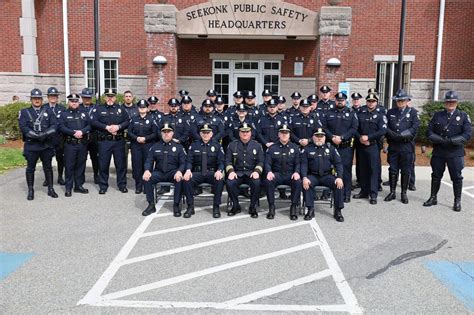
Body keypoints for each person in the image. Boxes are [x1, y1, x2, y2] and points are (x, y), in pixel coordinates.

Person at [423, 90, 472, 211]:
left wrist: (452, 141)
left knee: (456, 177)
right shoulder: (438, 115)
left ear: (457, 102)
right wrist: (439, 139)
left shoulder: (463, 116)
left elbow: (467, 134)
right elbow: (429, 131)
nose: (450, 104)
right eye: (448, 102)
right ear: (445, 103)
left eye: (453, 102)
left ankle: (457, 201)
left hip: (455, 152)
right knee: (436, 175)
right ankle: (433, 197)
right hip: (439, 151)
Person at [18, 88, 59, 200]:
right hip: (32, 145)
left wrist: (45, 134)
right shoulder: (24, 112)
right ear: (31, 99)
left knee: (48, 167)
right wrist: (35, 135)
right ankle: (31, 190)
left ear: (41, 99)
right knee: (30, 168)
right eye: (34, 98)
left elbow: (55, 125)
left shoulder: (48, 111)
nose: (37, 100)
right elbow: (23, 127)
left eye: (38, 98)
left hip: (46, 145)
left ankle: (50, 189)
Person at [142, 123, 187, 217]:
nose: (166, 134)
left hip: (172, 172)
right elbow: (149, 161)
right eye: (164, 132)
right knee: (147, 178)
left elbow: (183, 163)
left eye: (168, 132)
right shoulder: (155, 147)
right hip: (159, 172)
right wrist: (147, 170)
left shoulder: (179, 147)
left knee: (179, 179)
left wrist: (179, 171)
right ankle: (151, 205)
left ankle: (176, 205)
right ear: (161, 133)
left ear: (172, 133)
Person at [90, 89, 130, 194]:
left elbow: (127, 121)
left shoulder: (121, 109)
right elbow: (93, 122)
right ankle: (103, 186)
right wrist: (106, 127)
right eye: (108, 96)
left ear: (115, 97)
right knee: (103, 164)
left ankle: (122, 185)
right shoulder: (98, 109)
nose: (110, 98)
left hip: (118, 141)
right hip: (104, 141)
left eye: (112, 96)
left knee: (120, 165)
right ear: (104, 97)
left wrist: (118, 127)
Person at [384, 89, 420, 204]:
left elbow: (415, 128)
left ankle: (403, 193)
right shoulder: (390, 112)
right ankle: (392, 192)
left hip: (406, 146)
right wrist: (393, 135)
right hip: (394, 146)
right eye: (398, 101)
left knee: (405, 170)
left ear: (407, 100)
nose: (400, 102)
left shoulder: (413, 112)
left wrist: (403, 136)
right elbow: (386, 127)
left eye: (402, 100)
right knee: (393, 169)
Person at [301, 128, 344, 222]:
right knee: (306, 183)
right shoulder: (307, 149)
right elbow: (303, 165)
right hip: (313, 176)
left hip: (327, 176)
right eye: (317, 136)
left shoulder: (331, 148)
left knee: (339, 184)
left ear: (325, 138)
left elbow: (338, 163)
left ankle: (338, 210)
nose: (319, 138)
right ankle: (310, 209)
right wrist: (304, 177)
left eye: (321, 136)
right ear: (313, 137)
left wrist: (339, 177)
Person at [183, 124, 225, 218]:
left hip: (212, 173)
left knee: (220, 180)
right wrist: (188, 170)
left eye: (208, 132)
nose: (206, 135)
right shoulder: (194, 145)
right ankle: (190, 206)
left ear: (211, 134)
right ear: (200, 134)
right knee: (186, 180)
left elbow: (221, 161)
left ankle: (216, 206)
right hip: (198, 173)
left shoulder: (217, 146)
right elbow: (189, 160)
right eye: (203, 133)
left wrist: (219, 170)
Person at [353, 93, 387, 204]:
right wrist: (360, 138)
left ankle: (373, 194)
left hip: (373, 146)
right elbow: (354, 127)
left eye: (373, 101)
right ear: (366, 101)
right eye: (369, 101)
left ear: (376, 102)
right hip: (361, 145)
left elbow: (383, 131)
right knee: (362, 169)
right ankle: (364, 191)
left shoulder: (380, 114)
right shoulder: (360, 113)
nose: (370, 103)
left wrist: (369, 137)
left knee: (373, 170)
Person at [325, 92, 358, 202]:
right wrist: (332, 137)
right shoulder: (328, 113)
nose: (340, 102)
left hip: (346, 147)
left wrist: (342, 138)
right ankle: (331, 192)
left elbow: (354, 129)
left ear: (345, 101)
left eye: (342, 100)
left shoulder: (351, 113)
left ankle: (346, 194)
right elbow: (324, 128)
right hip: (332, 146)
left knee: (346, 171)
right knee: (330, 170)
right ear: (335, 101)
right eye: (338, 100)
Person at [225, 123, 264, 218]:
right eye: (243, 131)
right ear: (239, 133)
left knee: (257, 183)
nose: (245, 133)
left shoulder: (257, 146)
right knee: (229, 183)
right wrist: (231, 172)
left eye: (247, 131)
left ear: (250, 133)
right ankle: (235, 205)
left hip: (251, 173)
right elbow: (228, 161)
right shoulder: (232, 145)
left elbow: (261, 162)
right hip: (237, 173)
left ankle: (252, 207)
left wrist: (256, 172)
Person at [264, 125, 302, 220]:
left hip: (290, 174)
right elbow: (267, 163)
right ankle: (271, 207)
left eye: (286, 133)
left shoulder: (295, 148)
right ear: (278, 134)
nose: (284, 135)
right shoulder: (272, 148)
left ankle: (293, 207)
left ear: (289, 135)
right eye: (282, 133)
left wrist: (297, 172)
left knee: (298, 182)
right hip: (277, 174)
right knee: (268, 181)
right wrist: (269, 172)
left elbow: (298, 163)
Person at [58, 93, 91, 197]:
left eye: (76, 101)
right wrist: (73, 133)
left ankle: (78, 186)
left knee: (81, 166)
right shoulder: (64, 114)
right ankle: (68, 188)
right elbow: (61, 127)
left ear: (78, 102)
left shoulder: (84, 113)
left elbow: (90, 125)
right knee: (69, 166)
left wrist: (82, 132)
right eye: (72, 101)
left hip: (82, 144)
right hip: (70, 145)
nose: (74, 103)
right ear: (69, 102)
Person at [128, 99, 157, 194]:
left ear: (147, 108)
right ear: (138, 108)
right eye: (140, 107)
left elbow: (155, 133)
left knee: (147, 165)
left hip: (148, 145)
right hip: (136, 145)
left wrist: (145, 138)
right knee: (137, 166)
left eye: (144, 107)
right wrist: (136, 138)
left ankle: (146, 185)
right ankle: (138, 186)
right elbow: (129, 132)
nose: (142, 109)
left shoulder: (152, 119)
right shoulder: (134, 119)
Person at [43, 86, 66, 186]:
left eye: (55, 96)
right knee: (47, 159)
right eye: (51, 95)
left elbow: (64, 122)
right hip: (47, 138)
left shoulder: (62, 108)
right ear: (48, 97)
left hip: (59, 138)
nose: (53, 97)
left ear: (57, 97)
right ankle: (47, 178)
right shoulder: (43, 108)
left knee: (60, 159)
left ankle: (60, 177)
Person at [79, 88, 100, 184]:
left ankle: (96, 175)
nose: (87, 99)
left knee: (95, 157)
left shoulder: (97, 107)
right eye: (85, 97)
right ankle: (81, 176)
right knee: (82, 158)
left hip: (93, 136)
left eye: (88, 98)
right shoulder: (78, 108)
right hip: (82, 136)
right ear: (82, 98)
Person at [350, 92, 363, 189]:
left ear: (360, 100)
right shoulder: (349, 110)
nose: (356, 101)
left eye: (357, 99)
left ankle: (360, 180)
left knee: (360, 161)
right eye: (354, 99)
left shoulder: (363, 110)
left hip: (360, 139)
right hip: (350, 138)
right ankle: (348, 179)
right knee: (349, 160)